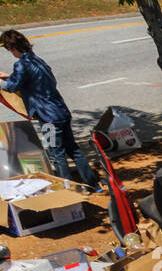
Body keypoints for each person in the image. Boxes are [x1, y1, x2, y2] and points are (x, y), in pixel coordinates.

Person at [0, 30, 99, 189]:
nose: (10, 52)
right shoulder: (37, 60)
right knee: (73, 149)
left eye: (9, 48)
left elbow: (11, 87)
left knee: (56, 154)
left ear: (12, 47)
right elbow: (29, 79)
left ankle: (66, 189)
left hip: (48, 119)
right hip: (61, 112)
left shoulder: (20, 64)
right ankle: (93, 184)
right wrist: (7, 76)